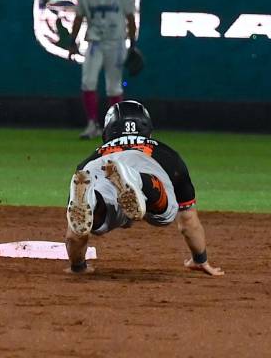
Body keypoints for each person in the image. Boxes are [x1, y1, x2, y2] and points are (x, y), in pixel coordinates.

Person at [64, 100, 224, 276]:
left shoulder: (87, 162)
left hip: (99, 167)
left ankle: (95, 201)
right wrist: (200, 259)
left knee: (100, 218)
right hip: (145, 161)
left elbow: (74, 234)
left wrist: (77, 267)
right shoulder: (166, 153)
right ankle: (139, 180)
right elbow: (188, 221)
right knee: (164, 215)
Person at [68, 0, 137, 139]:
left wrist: (133, 45)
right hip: (94, 43)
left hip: (116, 43)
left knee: (114, 87)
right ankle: (92, 124)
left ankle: (115, 126)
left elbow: (130, 18)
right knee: (88, 82)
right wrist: (72, 41)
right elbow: (79, 17)